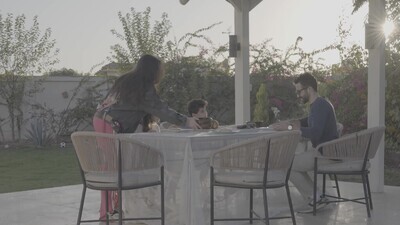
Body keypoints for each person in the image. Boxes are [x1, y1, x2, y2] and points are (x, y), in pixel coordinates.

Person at [93, 54, 200, 220]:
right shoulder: (143, 87)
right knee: (111, 171)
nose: (162, 73)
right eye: (161, 70)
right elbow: (161, 109)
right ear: (153, 70)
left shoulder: (127, 80)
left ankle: (111, 212)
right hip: (110, 125)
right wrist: (186, 121)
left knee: (111, 168)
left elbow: (131, 109)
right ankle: (107, 215)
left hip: (102, 120)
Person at [271, 72, 338, 212]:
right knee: (290, 162)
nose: (298, 95)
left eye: (299, 91)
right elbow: (308, 121)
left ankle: (315, 197)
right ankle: (316, 196)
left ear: (309, 89)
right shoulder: (318, 105)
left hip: (326, 154)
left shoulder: (320, 105)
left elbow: (315, 132)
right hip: (325, 151)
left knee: (286, 164)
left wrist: (290, 127)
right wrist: (290, 123)